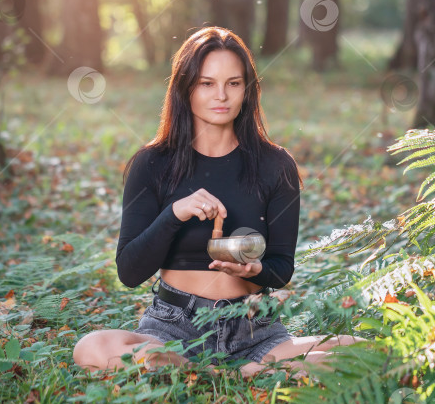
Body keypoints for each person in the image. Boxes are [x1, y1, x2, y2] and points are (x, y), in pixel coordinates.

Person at [73, 26, 360, 379]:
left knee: (359, 351)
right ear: (185, 88)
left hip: (255, 330)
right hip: (173, 329)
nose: (221, 95)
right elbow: (129, 271)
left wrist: (255, 270)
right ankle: (223, 371)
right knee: (92, 347)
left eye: (233, 83)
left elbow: (282, 267)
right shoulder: (153, 164)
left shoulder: (276, 165)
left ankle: (233, 372)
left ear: (247, 90)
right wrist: (175, 213)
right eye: (207, 83)